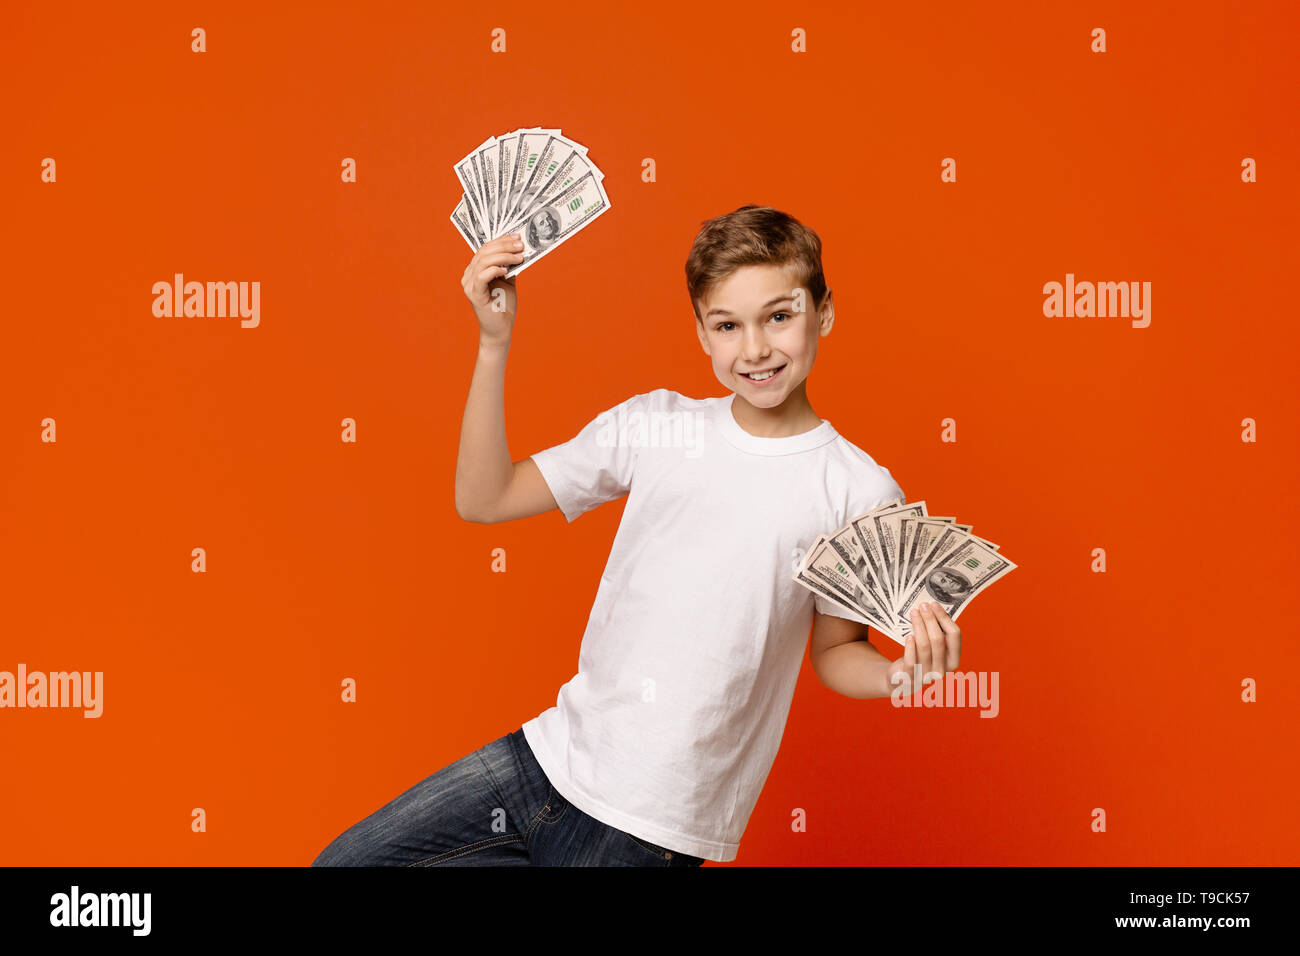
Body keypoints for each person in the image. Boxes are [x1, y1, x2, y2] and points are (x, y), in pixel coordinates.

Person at [311, 204, 963, 867]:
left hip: (654, 822)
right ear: (702, 334)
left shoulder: (857, 489)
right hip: (546, 758)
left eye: (779, 316)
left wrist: (898, 676)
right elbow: (486, 497)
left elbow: (836, 652)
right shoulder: (657, 424)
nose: (756, 348)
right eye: (727, 326)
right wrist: (492, 343)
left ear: (822, 312)